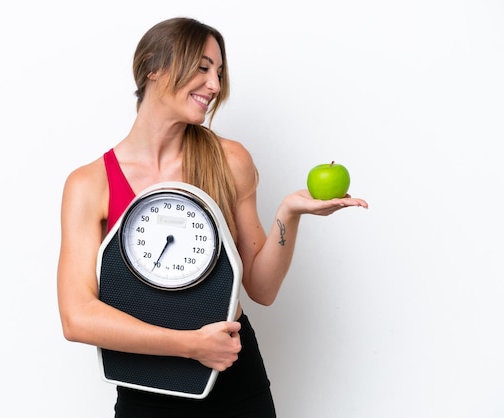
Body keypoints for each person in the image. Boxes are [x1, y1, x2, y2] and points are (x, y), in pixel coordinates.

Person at [57, 17, 368, 418]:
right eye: (203, 68)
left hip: (234, 382)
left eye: (218, 72)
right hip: (144, 386)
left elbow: (262, 288)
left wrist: (288, 215)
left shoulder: (229, 160)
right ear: (154, 67)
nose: (215, 86)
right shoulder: (90, 184)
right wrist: (189, 345)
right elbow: (77, 316)